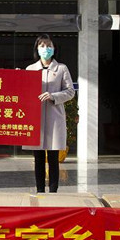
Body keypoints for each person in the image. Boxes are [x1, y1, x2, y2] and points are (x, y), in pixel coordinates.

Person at [25, 34, 75, 193]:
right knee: (38, 158)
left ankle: (53, 192)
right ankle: (40, 191)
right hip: (36, 118)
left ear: (54, 48)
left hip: (54, 118)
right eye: (42, 45)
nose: (45, 49)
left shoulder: (61, 68)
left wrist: (53, 96)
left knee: (53, 158)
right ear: (37, 48)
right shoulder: (30, 69)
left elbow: (70, 92)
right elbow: (23, 92)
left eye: (49, 45)